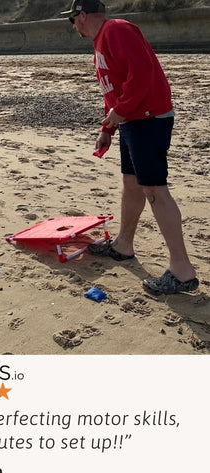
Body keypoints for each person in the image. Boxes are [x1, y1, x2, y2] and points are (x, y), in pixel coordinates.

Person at [61, 0, 199, 295]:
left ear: (82, 15)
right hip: (132, 120)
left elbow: (143, 74)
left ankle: (182, 271)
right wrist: (107, 129)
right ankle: (124, 245)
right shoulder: (101, 40)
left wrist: (120, 112)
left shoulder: (116, 30)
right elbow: (114, 89)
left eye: (72, 20)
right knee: (131, 183)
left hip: (147, 118)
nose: (73, 26)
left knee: (155, 190)